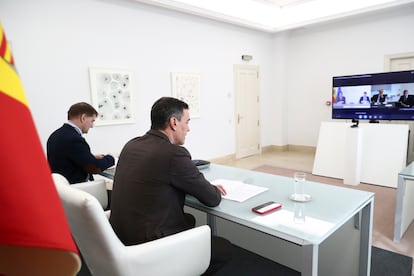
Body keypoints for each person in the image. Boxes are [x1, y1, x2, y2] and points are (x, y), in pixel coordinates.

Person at [109, 97, 231, 275]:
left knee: (188, 219)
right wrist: (207, 186)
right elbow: (212, 198)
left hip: (120, 237)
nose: (188, 128)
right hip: (149, 246)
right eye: (187, 122)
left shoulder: (132, 144)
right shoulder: (174, 154)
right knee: (224, 248)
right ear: (174, 122)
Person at [47, 102, 115, 184]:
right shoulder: (74, 139)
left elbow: (67, 159)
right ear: (83, 118)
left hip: (61, 187)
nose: (92, 126)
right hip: (76, 190)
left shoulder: (55, 135)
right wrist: (111, 158)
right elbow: (94, 168)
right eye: (92, 121)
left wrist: (91, 157)